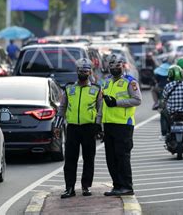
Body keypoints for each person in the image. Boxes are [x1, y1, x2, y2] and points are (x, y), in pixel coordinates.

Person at [55, 58, 103, 199]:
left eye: (86, 71)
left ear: (90, 72)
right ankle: (69, 188)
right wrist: (57, 126)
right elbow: (62, 108)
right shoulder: (69, 88)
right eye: (81, 71)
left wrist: (99, 127)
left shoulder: (96, 89)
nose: (83, 73)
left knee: (89, 158)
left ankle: (86, 186)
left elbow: (100, 109)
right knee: (70, 159)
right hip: (73, 128)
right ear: (77, 72)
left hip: (89, 128)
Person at [102, 55, 142, 197]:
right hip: (108, 124)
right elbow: (102, 104)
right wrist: (99, 124)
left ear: (123, 66)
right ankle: (117, 186)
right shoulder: (106, 83)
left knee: (122, 156)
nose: (115, 69)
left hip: (123, 125)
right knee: (110, 158)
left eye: (118, 66)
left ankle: (126, 186)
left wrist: (117, 103)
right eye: (112, 67)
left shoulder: (130, 81)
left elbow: (137, 100)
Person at [160, 65, 183, 140]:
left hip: (171, 112)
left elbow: (163, 99)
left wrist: (163, 106)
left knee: (163, 113)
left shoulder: (167, 86)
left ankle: (164, 134)